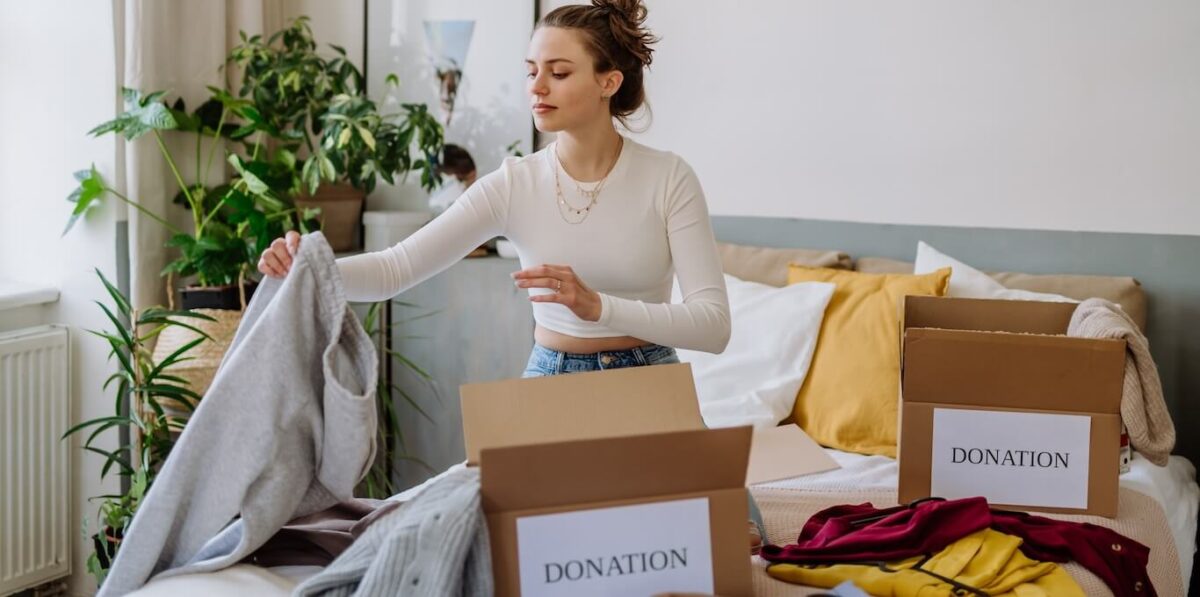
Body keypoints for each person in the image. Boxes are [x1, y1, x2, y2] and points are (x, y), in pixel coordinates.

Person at [259, 0, 731, 376]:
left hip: (650, 379)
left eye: (559, 72)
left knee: (714, 501)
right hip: (553, 379)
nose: (537, 87)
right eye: (531, 71)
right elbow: (394, 269)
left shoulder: (669, 178)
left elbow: (714, 326)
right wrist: (311, 268)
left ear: (608, 82)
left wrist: (598, 307)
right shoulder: (514, 183)